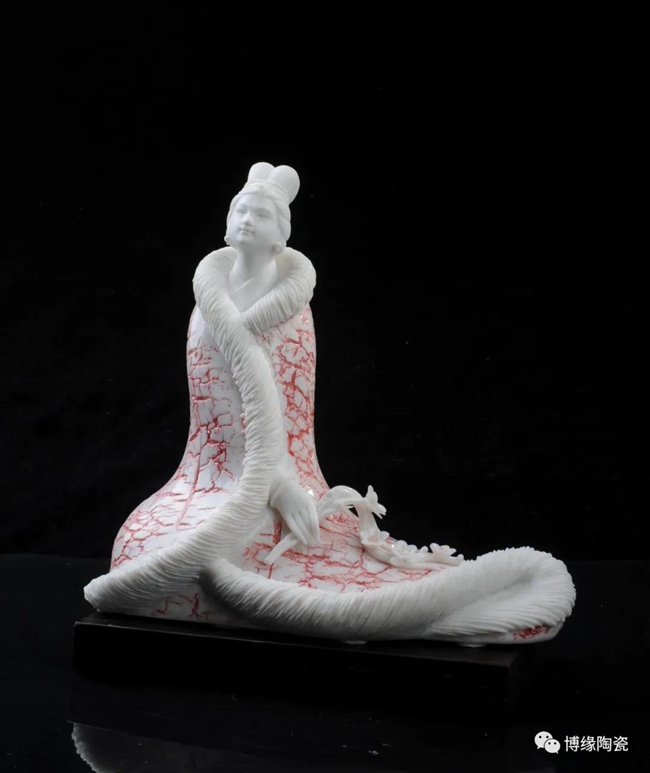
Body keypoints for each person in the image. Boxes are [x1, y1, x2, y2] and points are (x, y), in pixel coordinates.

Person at [85, 163, 575, 645]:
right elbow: (213, 420)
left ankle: (417, 603)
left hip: (278, 476)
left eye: (261, 214)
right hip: (216, 481)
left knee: (281, 543)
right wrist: (267, 487)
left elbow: (290, 419)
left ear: (281, 236)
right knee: (144, 541)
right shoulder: (207, 309)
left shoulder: (294, 315)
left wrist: (286, 485)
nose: (247, 219)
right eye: (240, 210)